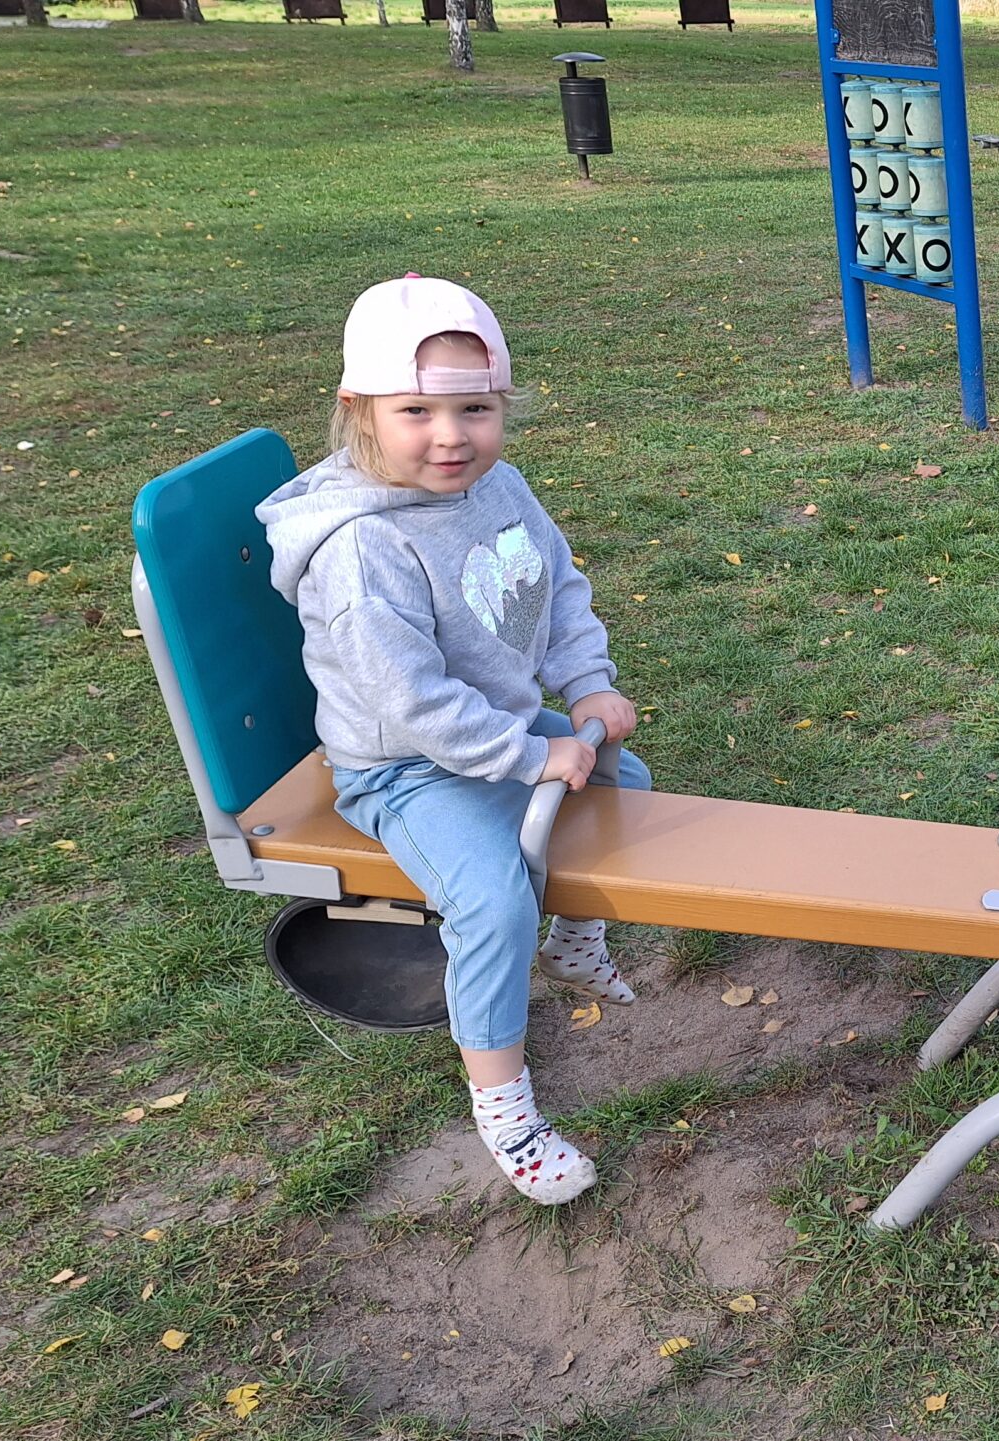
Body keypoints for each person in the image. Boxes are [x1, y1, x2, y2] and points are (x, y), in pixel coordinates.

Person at [258, 275, 647, 1205]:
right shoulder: (362, 549)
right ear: (360, 409)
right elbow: (411, 704)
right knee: (492, 901)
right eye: (417, 411)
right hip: (403, 767)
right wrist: (531, 755)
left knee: (623, 781)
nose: (451, 436)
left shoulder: (495, 487)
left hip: (492, 730)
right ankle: (506, 1110)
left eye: (476, 408)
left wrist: (586, 682)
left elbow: (554, 587)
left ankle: (575, 943)